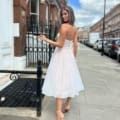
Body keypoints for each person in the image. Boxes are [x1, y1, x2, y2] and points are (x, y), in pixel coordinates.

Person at [38, 6, 84, 120]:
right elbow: (75, 45)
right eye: (62, 14)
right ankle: (67, 104)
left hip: (61, 56)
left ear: (70, 14)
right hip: (69, 56)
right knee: (70, 80)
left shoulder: (63, 27)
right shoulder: (74, 28)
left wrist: (46, 39)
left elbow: (60, 45)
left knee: (60, 80)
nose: (63, 16)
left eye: (66, 14)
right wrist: (73, 58)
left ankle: (59, 112)